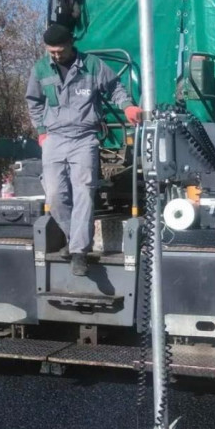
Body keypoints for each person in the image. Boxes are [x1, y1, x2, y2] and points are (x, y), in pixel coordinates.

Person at [26, 24, 142, 276]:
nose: (55, 55)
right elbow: (33, 102)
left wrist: (127, 107)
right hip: (54, 138)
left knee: (83, 193)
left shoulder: (92, 65)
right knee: (55, 196)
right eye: (51, 51)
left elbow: (115, 88)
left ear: (70, 44)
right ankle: (73, 237)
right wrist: (41, 130)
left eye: (59, 50)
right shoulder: (40, 69)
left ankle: (79, 251)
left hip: (84, 138)